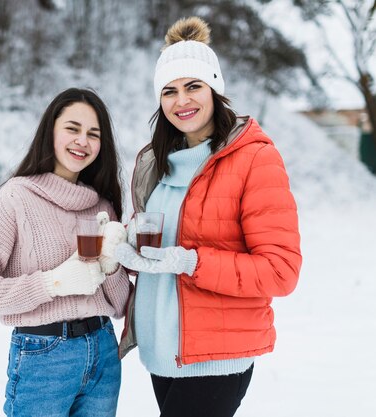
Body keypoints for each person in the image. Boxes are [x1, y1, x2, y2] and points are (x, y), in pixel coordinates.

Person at [114, 17, 302, 417]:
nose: (181, 101)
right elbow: (157, 240)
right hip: (161, 352)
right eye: (169, 91)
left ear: (215, 89)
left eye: (193, 86)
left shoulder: (255, 159)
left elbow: (281, 270)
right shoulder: (157, 164)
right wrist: (130, 242)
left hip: (214, 356)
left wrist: (191, 261)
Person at [0, 88, 131, 417]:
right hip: (44, 356)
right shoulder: (16, 198)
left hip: (103, 351)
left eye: (93, 134)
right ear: (50, 130)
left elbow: (121, 305)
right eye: (72, 128)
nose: (82, 140)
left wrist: (111, 266)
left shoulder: (102, 205)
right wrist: (52, 283)